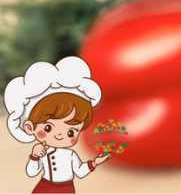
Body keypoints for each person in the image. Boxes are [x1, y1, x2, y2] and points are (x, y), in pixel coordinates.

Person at [5, 58, 109, 193]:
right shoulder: (42, 153)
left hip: (67, 189)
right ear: (29, 127)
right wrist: (34, 156)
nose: (60, 134)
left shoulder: (71, 154)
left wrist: (95, 163)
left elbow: (80, 171)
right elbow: (32, 172)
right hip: (44, 187)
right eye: (48, 127)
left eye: (71, 132)